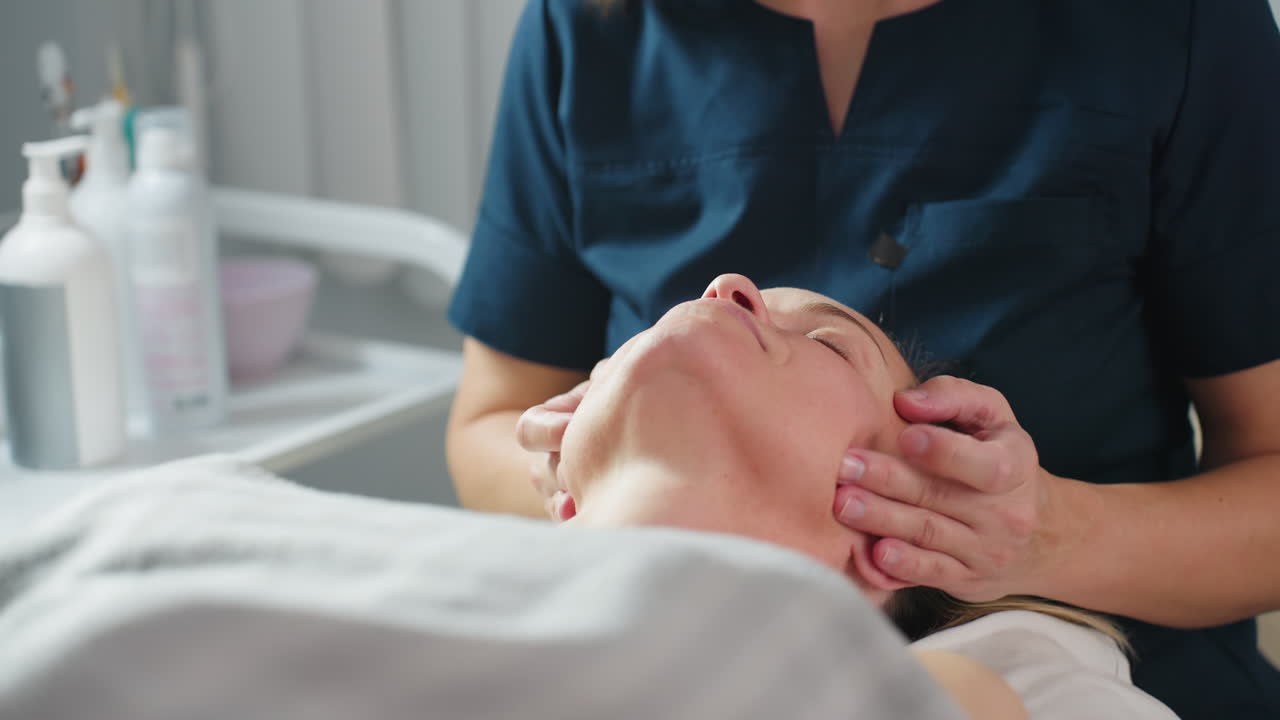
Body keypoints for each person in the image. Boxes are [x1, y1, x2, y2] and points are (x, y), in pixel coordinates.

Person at [443, 1, 1280, 717]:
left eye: (834, 347)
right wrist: (608, 483)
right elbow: (490, 421)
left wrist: (1047, 536)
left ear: (890, 551)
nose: (725, 285)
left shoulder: (1010, 672)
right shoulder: (586, 24)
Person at [539, 272, 1176, 719]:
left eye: (828, 344)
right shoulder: (442, 565)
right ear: (567, 499)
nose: (726, 288)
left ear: (904, 539)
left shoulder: (990, 697)